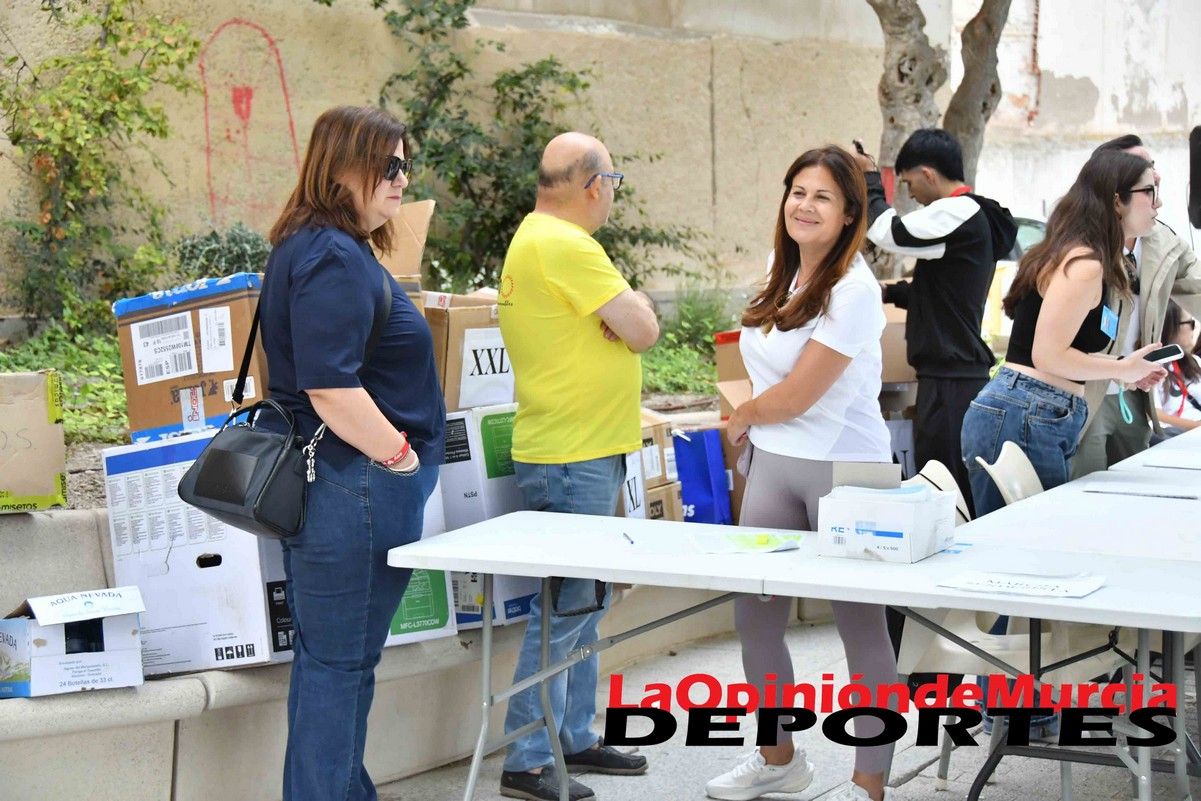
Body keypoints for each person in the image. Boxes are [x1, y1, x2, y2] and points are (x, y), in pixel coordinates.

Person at [257, 105, 445, 801]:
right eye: (386, 165)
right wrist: (399, 457)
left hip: (343, 485)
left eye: (404, 164)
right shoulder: (332, 256)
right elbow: (331, 386)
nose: (401, 179)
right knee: (339, 665)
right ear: (339, 168)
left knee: (337, 662)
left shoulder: (316, 247)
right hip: (355, 484)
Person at [706, 146, 898, 801]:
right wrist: (738, 419)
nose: (803, 204)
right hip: (775, 465)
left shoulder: (855, 290)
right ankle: (778, 758)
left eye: (821, 195)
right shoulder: (778, 269)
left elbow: (798, 395)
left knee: (860, 628)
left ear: (848, 214)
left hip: (848, 471)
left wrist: (739, 421)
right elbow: (742, 357)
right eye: (796, 190)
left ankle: (867, 781)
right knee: (755, 619)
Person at [496, 131, 658, 801]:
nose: (611, 196)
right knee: (564, 609)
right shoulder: (568, 245)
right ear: (594, 185)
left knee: (582, 603)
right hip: (574, 453)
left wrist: (623, 316)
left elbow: (628, 324)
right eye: (612, 183)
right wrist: (631, 310)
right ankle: (528, 757)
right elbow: (644, 328)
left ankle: (573, 735)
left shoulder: (534, 239)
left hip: (574, 447)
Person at [961, 149, 1166, 518]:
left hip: (1033, 412)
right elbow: (1048, 356)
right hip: (1025, 412)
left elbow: (1062, 352)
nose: (1158, 202)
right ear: (1117, 200)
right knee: (1023, 545)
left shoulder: (1088, 257)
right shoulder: (1085, 263)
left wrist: (1126, 368)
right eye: (1149, 192)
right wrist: (1121, 369)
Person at [853, 129, 1017, 516]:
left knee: (942, 488)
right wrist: (890, 292)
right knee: (948, 483)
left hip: (950, 381)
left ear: (928, 173)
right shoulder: (968, 218)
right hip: (954, 377)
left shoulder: (957, 211)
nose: (910, 195)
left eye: (909, 183)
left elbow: (891, 232)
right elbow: (943, 292)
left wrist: (869, 181)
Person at [1071, 134, 1201, 476]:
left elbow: (1198, 287)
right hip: (1085, 395)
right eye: (1142, 171)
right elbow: (1046, 349)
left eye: (1153, 167)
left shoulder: (1164, 241)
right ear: (1114, 187)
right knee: (1086, 492)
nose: (1154, 177)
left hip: (1136, 393)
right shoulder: (1080, 248)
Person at [1155, 300, 1201, 435]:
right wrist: (1194, 426)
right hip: (1176, 436)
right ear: (1172, 327)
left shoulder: (1195, 361)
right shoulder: (1153, 367)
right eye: (1190, 323)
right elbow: (1155, 414)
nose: (1194, 329)